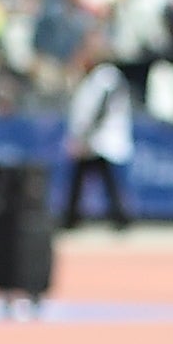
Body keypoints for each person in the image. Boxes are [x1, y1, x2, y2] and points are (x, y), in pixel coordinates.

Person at [61, 50, 134, 229]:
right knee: (84, 179)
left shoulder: (106, 76)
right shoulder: (91, 78)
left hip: (101, 139)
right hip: (94, 139)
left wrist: (86, 134)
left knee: (107, 180)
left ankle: (120, 217)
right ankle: (73, 218)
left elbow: (101, 107)